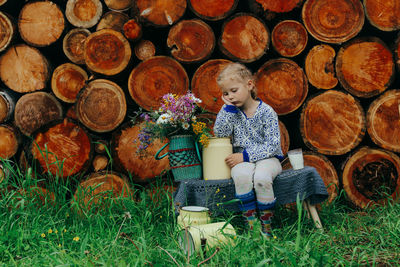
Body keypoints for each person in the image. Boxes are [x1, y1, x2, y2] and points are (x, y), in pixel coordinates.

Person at [213, 62, 283, 237]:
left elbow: (273, 144)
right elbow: (220, 132)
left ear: (249, 85)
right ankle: (252, 228)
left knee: (261, 178)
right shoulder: (230, 111)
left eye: (234, 91)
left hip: (268, 158)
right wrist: (228, 109)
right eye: (225, 93)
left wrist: (246, 156)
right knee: (242, 176)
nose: (230, 96)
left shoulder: (267, 111)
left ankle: (267, 229)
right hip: (241, 159)